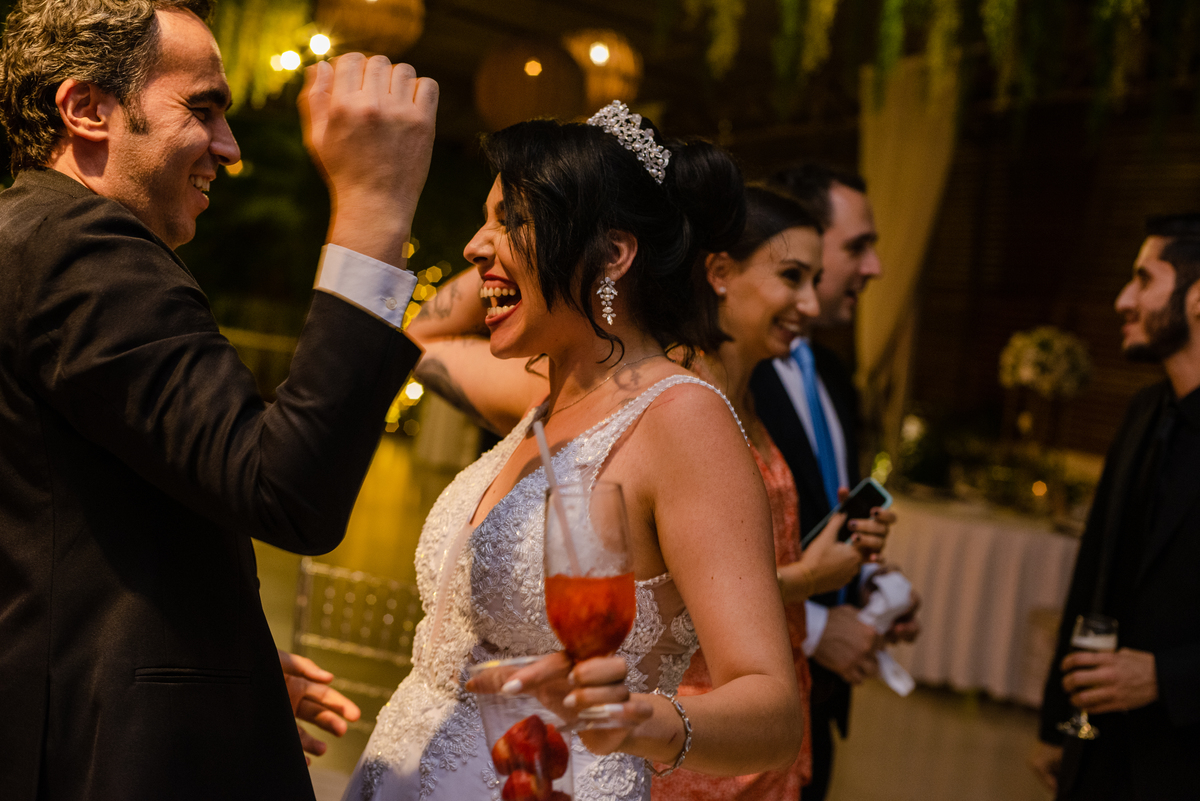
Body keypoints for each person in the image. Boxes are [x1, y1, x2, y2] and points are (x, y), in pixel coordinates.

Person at [0, 2, 436, 798]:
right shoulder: (84, 249)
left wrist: (208, 655)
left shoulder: (20, 236)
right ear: (87, 108)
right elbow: (287, 488)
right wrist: (377, 206)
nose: (229, 149)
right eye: (202, 109)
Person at [343, 104, 805, 800]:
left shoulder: (683, 419)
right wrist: (513, 263)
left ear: (614, 254)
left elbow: (772, 711)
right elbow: (418, 338)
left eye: (511, 220)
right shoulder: (543, 398)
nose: (472, 246)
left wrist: (641, 718)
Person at [651, 186, 884, 801]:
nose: (809, 303)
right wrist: (809, 578)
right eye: (791, 277)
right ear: (720, 273)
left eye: (815, 281)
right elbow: (669, 590)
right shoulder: (681, 400)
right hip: (701, 731)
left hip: (767, 723)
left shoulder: (748, 395)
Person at [755, 163, 912, 800]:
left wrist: (869, 587)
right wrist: (818, 629)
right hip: (749, 695)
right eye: (858, 246)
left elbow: (819, 519)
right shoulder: (734, 377)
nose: (875, 268)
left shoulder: (836, 375)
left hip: (818, 709)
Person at [1029, 214, 1200, 800]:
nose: (1123, 300)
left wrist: (1167, 678)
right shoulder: (1143, 412)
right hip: (1099, 748)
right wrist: (1057, 723)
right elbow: (1093, 574)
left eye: (1144, 279)